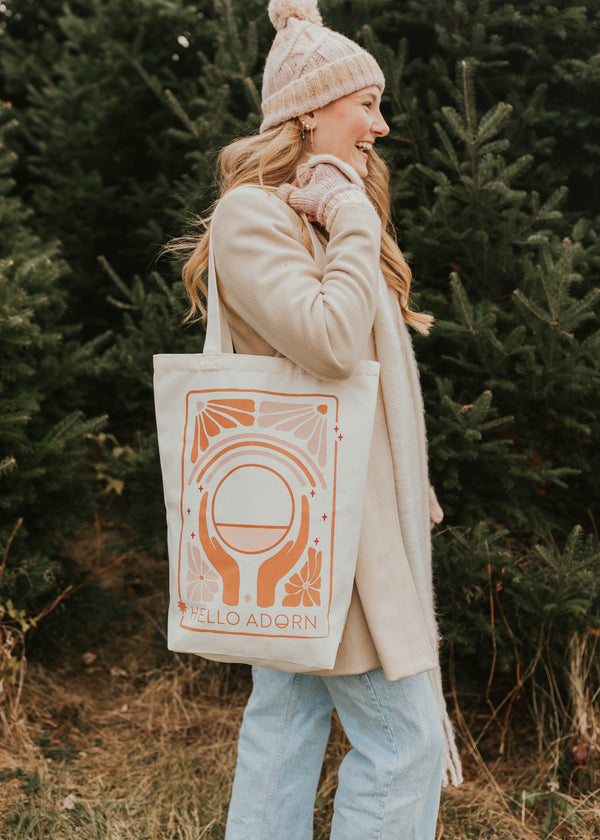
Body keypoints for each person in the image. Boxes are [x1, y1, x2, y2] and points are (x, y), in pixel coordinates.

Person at [178, 1, 462, 837]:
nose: (379, 125)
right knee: (404, 740)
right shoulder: (255, 215)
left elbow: (363, 385)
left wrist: (415, 481)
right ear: (309, 111)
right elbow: (334, 346)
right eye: (364, 104)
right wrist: (351, 218)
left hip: (331, 520)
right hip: (322, 533)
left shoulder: (319, 210)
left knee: (286, 723)